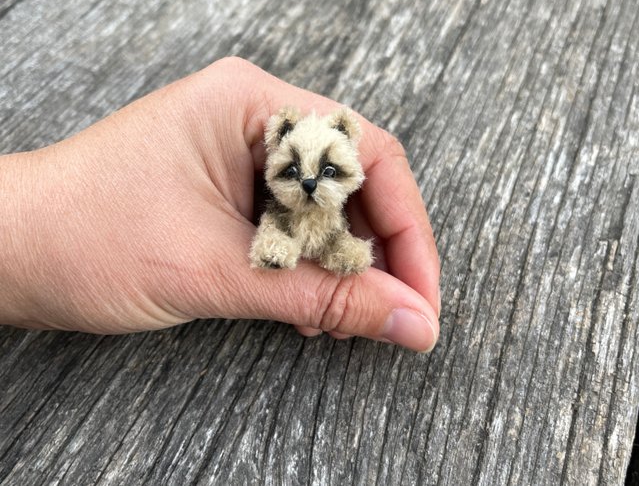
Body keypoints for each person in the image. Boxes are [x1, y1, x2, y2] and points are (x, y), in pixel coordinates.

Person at [0, 57, 440, 352]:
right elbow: (271, 224)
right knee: (274, 230)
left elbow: (337, 234)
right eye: (292, 172)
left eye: (328, 173)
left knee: (341, 244)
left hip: (329, 233)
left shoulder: (336, 203)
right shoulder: (277, 198)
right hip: (282, 231)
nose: (308, 183)